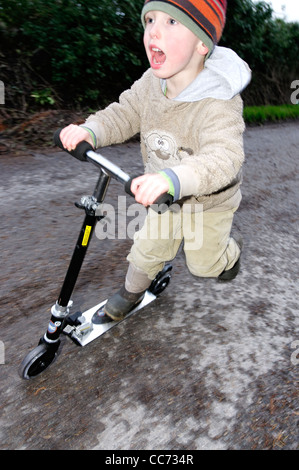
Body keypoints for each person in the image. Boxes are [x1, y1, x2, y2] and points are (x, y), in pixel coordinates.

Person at [60, 0, 251, 321]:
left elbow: (225, 156)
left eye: (172, 22)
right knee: (148, 248)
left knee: (204, 265)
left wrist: (175, 178)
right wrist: (90, 131)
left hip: (208, 202)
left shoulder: (220, 100)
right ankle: (131, 292)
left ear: (202, 43)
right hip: (164, 197)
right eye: (150, 20)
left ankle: (228, 253)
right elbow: (123, 113)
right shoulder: (151, 83)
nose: (154, 31)